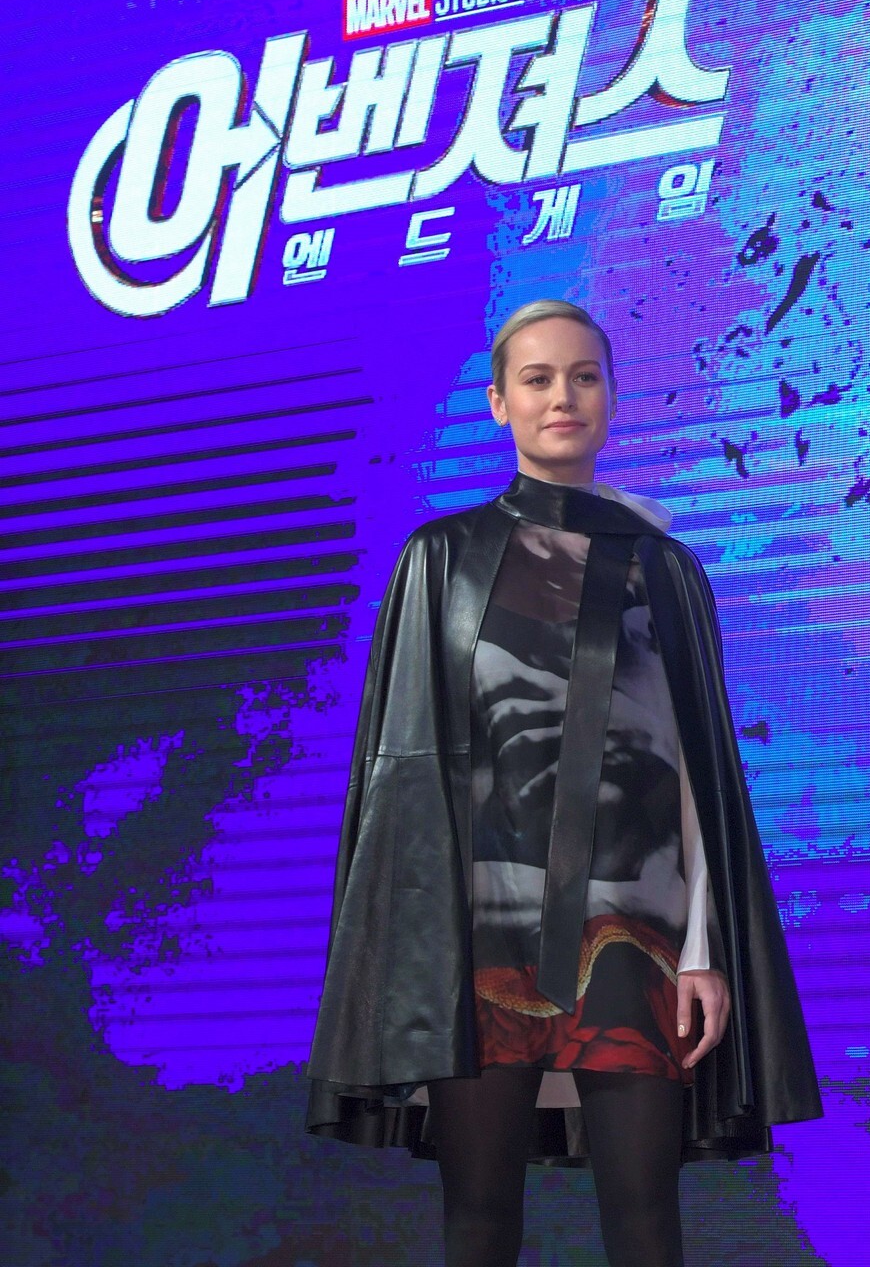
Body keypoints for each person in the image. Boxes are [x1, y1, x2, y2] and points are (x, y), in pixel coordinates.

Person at [306, 299, 821, 1266]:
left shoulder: (663, 568)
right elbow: (402, 779)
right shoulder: (441, 559)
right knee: (477, 1216)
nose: (562, 398)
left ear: (612, 398)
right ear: (498, 402)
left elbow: (696, 773)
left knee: (644, 1216)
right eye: (537, 379)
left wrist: (704, 952)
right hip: (476, 934)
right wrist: (406, 952)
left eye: (584, 377)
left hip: (636, 933)